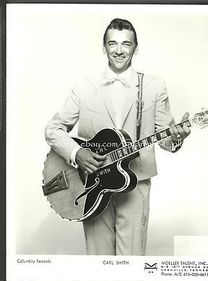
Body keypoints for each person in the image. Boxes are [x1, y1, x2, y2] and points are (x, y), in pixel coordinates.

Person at [45, 18, 190, 255]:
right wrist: (76, 152)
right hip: (91, 183)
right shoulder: (83, 85)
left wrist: (177, 137)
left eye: (126, 44)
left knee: (131, 263)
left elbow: (166, 138)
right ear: (104, 47)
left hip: (136, 181)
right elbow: (53, 129)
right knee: (98, 261)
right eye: (113, 44)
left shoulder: (154, 86)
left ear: (136, 47)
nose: (119, 50)